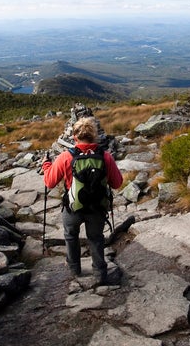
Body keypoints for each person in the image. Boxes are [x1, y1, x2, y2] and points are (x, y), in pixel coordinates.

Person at [42, 116, 123, 284]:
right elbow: (117, 183)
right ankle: (100, 274)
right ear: (94, 136)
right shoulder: (105, 157)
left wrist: (46, 165)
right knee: (96, 238)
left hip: (73, 207)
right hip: (97, 208)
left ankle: (74, 269)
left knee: (71, 235)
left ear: (74, 137)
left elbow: (49, 182)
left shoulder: (66, 157)